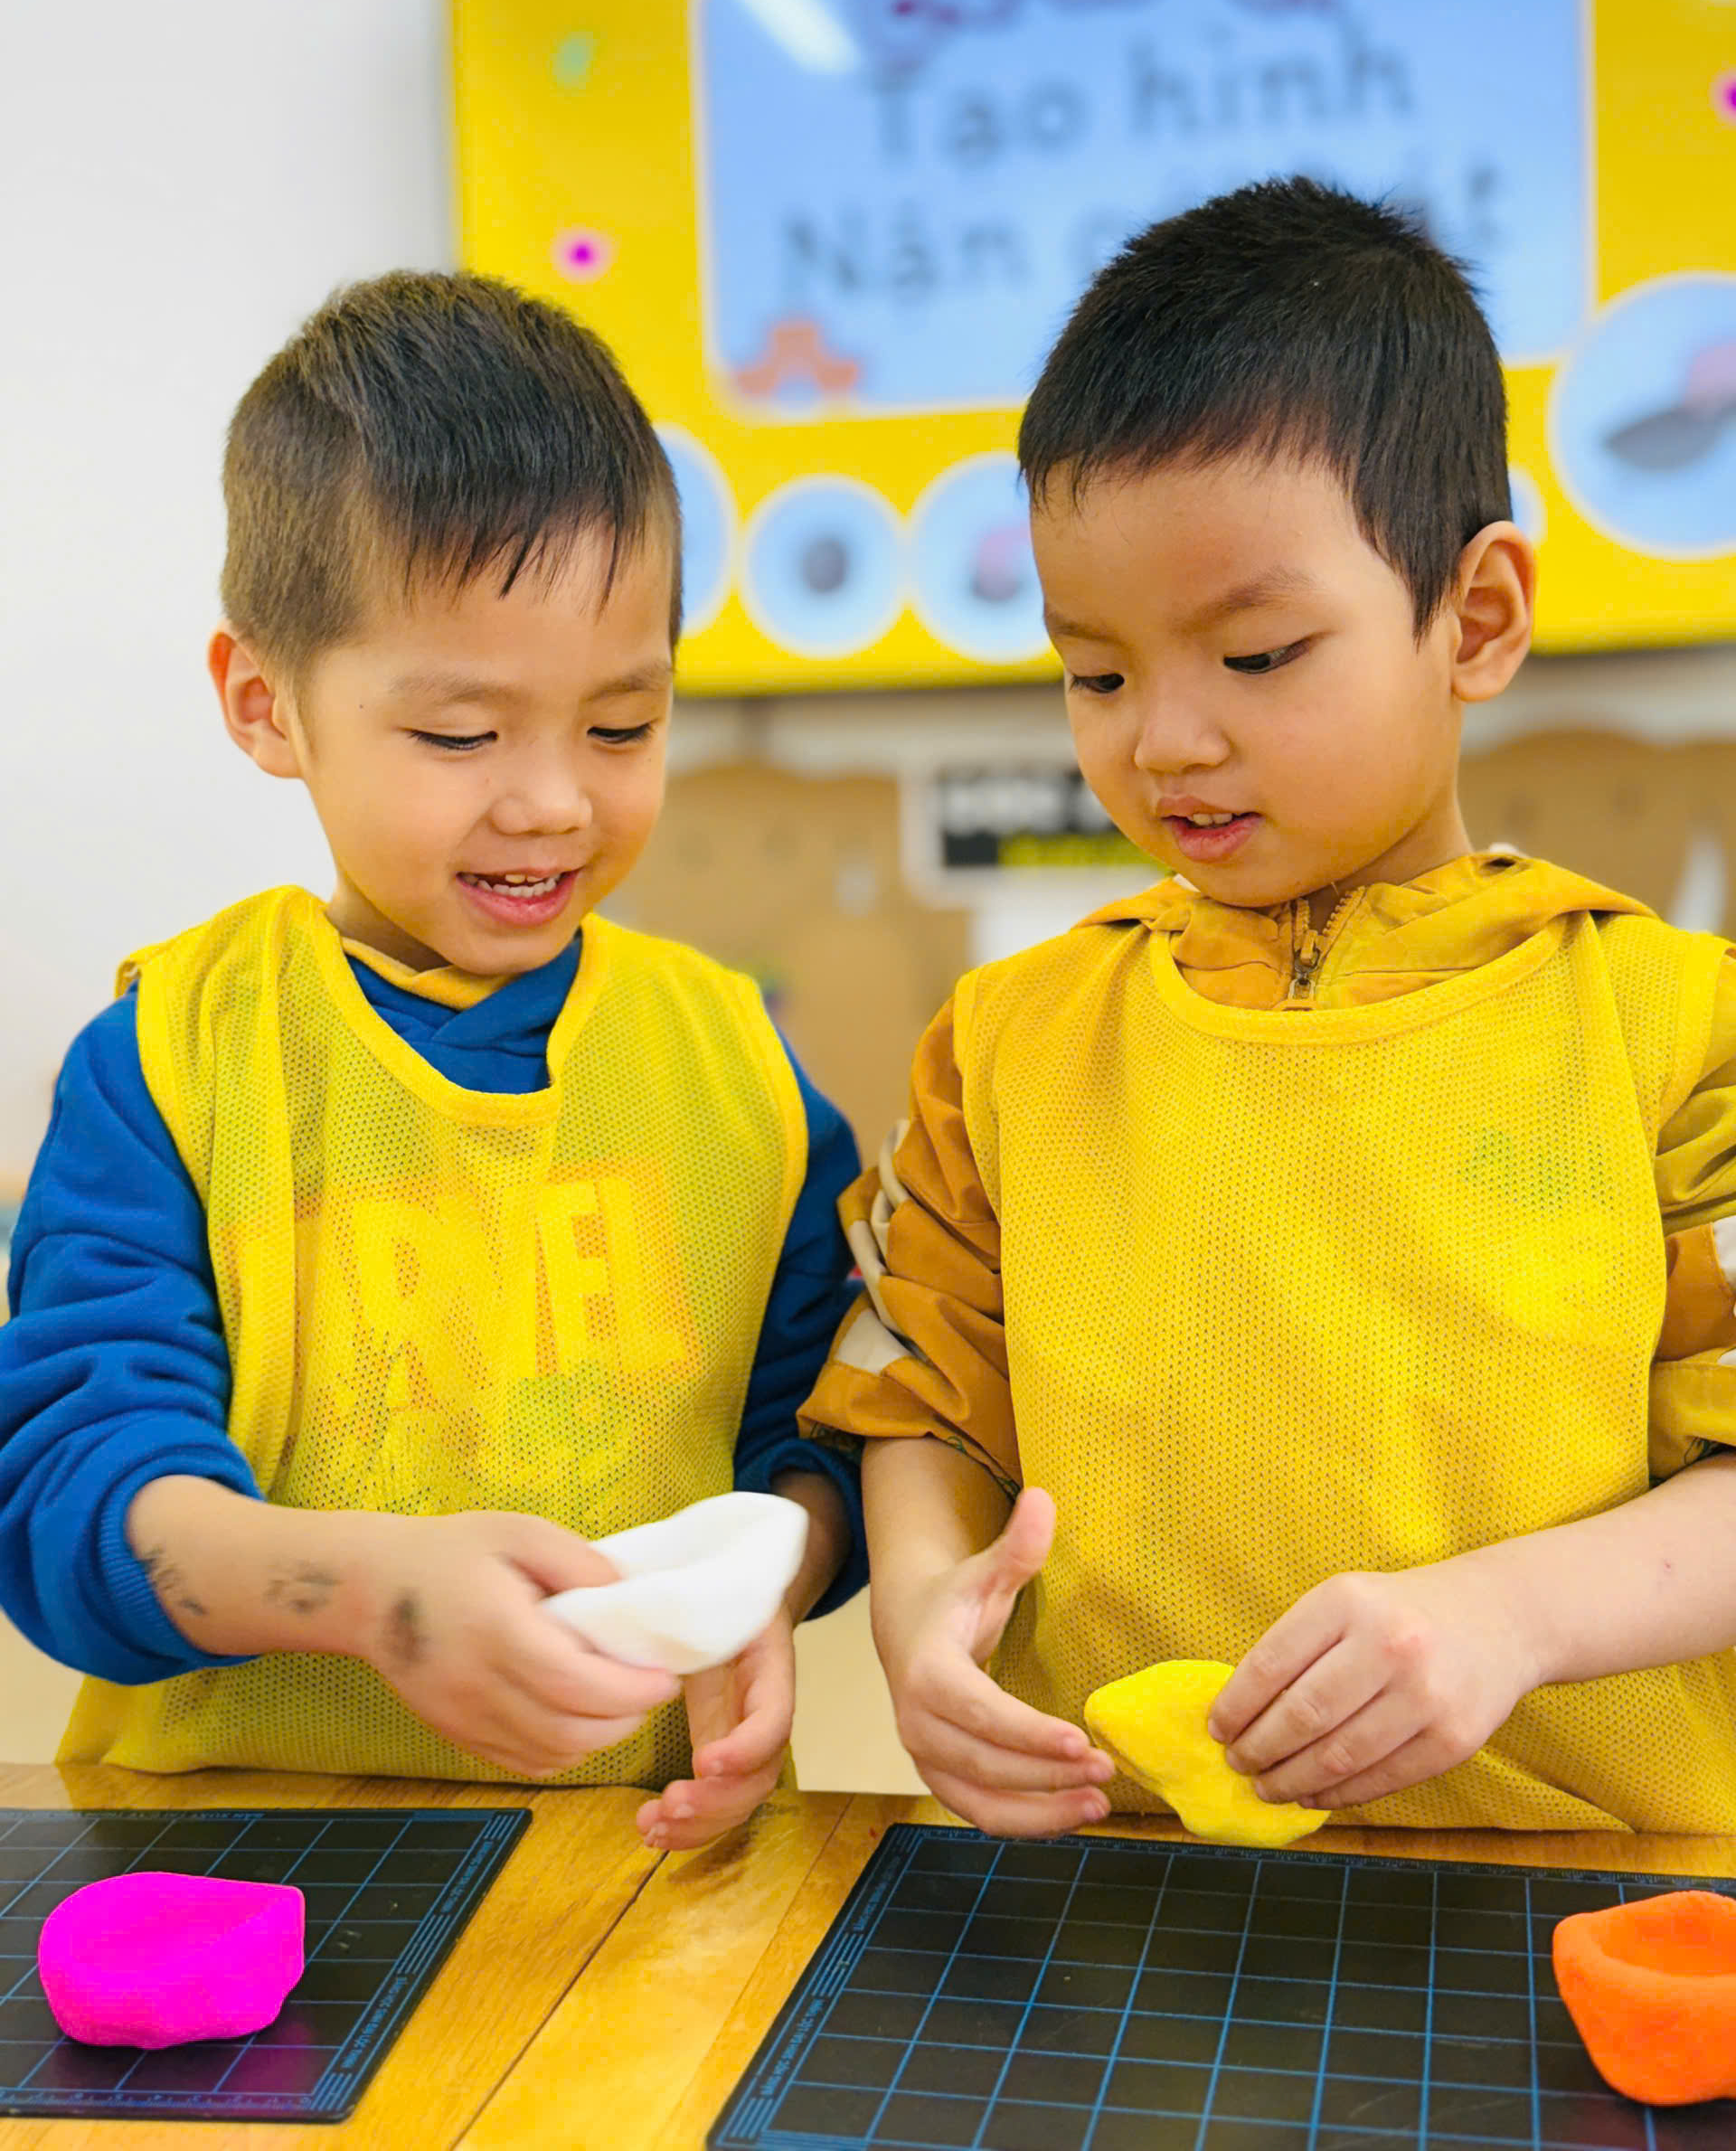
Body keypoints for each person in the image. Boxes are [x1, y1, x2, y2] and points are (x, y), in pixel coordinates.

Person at [800, 177, 1736, 1836]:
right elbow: (924, 1389)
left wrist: (1513, 1618)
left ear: (1476, 618)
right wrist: (921, 1610)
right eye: (1096, 672)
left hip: (1581, 1898)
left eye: (1257, 656)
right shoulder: (1007, 1044)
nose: (1164, 740)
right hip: (1123, 1879)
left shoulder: (1674, 1034)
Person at [0, 272, 864, 1851]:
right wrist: (371, 1595)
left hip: (634, 1853)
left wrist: (767, 1582)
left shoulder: (734, 1066)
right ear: (266, 704)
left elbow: (819, 1434)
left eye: (622, 726)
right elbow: (75, 1505)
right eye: (462, 736)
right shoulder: (173, 1063)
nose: (551, 802)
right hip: (238, 1858)